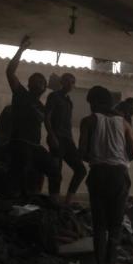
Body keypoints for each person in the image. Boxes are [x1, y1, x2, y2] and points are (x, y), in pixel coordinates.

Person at [78, 86, 133, 264]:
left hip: (98, 174)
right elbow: (132, 153)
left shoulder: (88, 121)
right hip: (119, 175)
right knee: (115, 224)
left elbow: (82, 152)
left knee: (99, 224)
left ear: (94, 102)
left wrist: (97, 155)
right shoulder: (124, 124)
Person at [6, 36, 56, 196]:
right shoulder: (21, 94)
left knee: (54, 171)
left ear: (44, 88)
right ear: (29, 84)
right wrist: (21, 49)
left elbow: (46, 121)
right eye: (35, 81)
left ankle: (51, 204)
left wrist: (53, 137)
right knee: (19, 180)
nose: (38, 84)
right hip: (19, 144)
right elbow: (10, 72)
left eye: (41, 82)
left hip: (35, 146)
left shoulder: (42, 106)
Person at [45, 73, 87, 202]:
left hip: (67, 140)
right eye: (68, 81)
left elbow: (67, 124)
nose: (70, 84)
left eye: (73, 82)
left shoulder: (69, 101)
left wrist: (72, 141)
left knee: (81, 170)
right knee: (56, 172)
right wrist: (51, 136)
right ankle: (54, 201)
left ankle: (68, 202)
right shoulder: (54, 96)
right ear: (62, 82)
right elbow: (47, 117)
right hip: (56, 138)